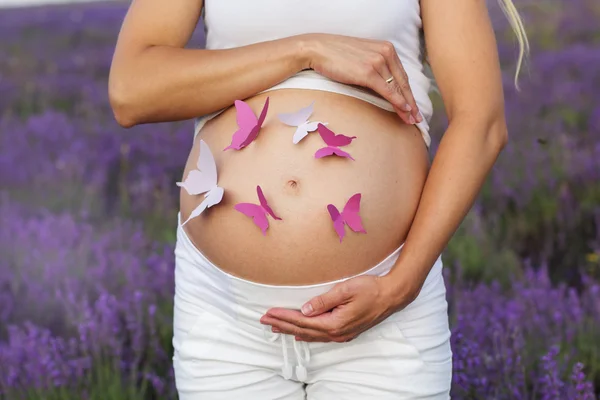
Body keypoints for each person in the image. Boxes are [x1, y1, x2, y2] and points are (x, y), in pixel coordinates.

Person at [108, 0, 529, 398]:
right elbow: (131, 91)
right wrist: (305, 51)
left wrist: (400, 287)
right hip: (227, 316)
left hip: (384, 316)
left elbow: (482, 123)